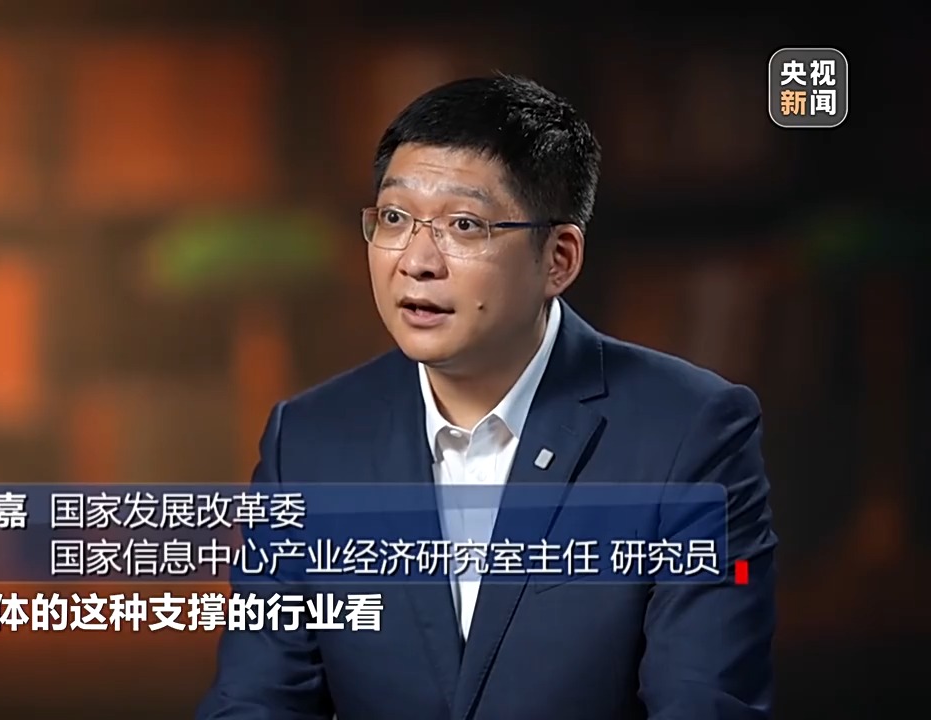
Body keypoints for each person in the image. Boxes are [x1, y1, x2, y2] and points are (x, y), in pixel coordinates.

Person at [196, 74, 776, 720]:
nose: (416, 261)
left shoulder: (689, 432)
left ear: (558, 259)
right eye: (394, 218)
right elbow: (256, 698)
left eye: (464, 225)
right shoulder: (309, 440)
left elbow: (704, 701)